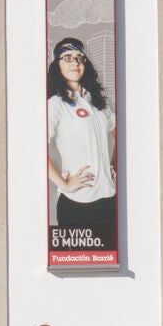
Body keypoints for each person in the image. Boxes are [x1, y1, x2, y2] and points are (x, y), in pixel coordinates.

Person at [47, 37, 116, 225]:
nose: (75, 63)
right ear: (57, 65)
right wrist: (65, 184)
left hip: (109, 198)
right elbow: (35, 149)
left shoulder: (97, 102)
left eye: (79, 58)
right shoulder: (56, 105)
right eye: (67, 58)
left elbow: (119, 132)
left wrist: (113, 166)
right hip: (77, 204)